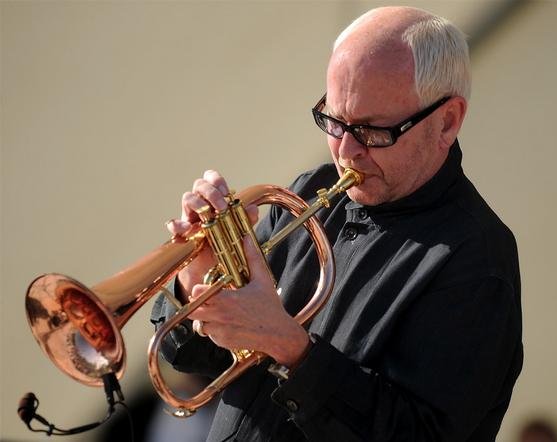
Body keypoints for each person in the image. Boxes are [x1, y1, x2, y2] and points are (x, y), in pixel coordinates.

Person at [151, 6, 523, 441]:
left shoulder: (476, 261)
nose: (346, 150)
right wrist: (198, 280)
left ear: (447, 121)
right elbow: (197, 359)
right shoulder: (308, 192)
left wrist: (292, 349)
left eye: (371, 130)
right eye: (333, 119)